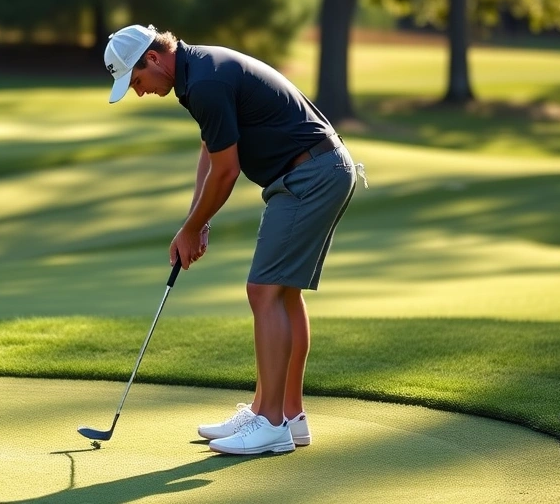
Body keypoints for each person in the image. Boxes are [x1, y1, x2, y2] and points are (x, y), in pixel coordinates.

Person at [103, 24, 365, 455]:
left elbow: (228, 171)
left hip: (310, 174)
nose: (139, 91)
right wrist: (195, 219)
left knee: (263, 291)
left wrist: (190, 228)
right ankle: (286, 414)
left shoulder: (204, 81)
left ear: (152, 59)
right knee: (281, 294)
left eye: (135, 81)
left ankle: (271, 424)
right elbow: (212, 148)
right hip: (312, 171)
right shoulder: (194, 73)